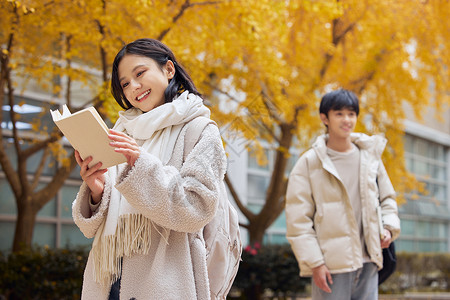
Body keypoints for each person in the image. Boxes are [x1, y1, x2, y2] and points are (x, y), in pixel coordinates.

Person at [72, 38, 228, 299]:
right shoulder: (121, 132)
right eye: (125, 84)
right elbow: (91, 228)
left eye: (140, 73)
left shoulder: (200, 130)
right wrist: (97, 192)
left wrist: (139, 164)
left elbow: (197, 209)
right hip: (107, 280)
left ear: (168, 69)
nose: (133, 87)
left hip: (166, 281)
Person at [285, 89, 401, 300]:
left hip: (369, 262)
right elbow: (298, 221)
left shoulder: (371, 158)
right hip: (331, 267)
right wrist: (316, 263)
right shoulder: (309, 163)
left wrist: (388, 227)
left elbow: (387, 199)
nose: (346, 119)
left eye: (351, 114)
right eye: (339, 113)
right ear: (324, 118)